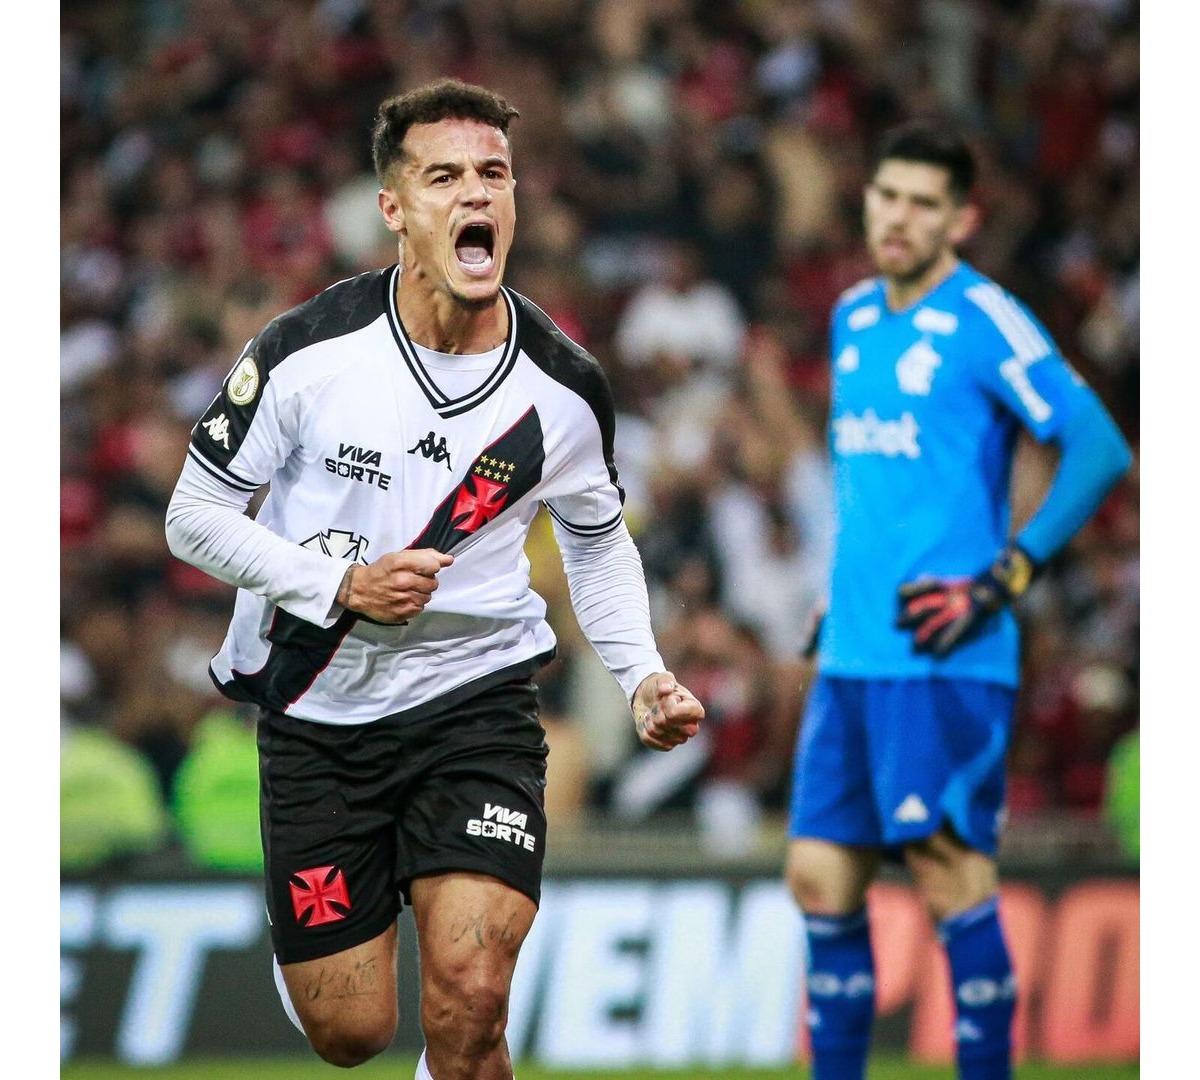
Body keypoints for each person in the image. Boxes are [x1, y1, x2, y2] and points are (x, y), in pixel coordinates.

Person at [165, 78, 704, 1080]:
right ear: (395, 209)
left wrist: (642, 673)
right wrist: (338, 589)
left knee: (472, 995)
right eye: (444, 175)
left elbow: (595, 537)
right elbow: (191, 517)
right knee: (351, 1030)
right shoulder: (305, 354)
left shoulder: (564, 389)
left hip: (477, 706)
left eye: (494, 174)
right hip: (319, 714)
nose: (476, 195)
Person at [785, 123, 1131, 1080]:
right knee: (818, 877)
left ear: (961, 219)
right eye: (887, 195)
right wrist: (834, 594)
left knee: (947, 876)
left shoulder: (988, 318)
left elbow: (1098, 447)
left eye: (923, 203)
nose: (898, 217)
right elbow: (878, 490)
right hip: (853, 649)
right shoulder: (853, 315)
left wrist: (1008, 576)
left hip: (942, 655)